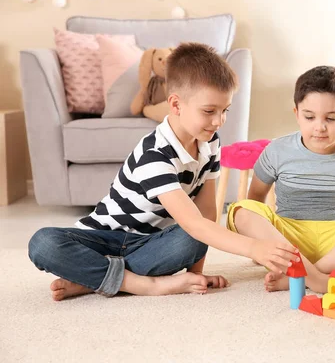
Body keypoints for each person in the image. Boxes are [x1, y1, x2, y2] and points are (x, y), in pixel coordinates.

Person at [28, 42, 298, 301]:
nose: (218, 121)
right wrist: (253, 247)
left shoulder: (210, 143)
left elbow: (205, 216)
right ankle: (143, 285)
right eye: (209, 111)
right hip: (101, 238)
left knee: (193, 236)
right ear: (177, 104)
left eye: (224, 110)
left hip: (149, 244)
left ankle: (93, 279)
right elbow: (194, 223)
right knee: (43, 243)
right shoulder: (154, 154)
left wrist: (196, 274)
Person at [227, 66, 335, 293]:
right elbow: (255, 198)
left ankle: (306, 275)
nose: (319, 127)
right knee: (242, 210)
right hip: (290, 237)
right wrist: (263, 243)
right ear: (296, 114)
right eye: (309, 117)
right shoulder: (277, 150)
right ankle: (314, 275)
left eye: (331, 118)